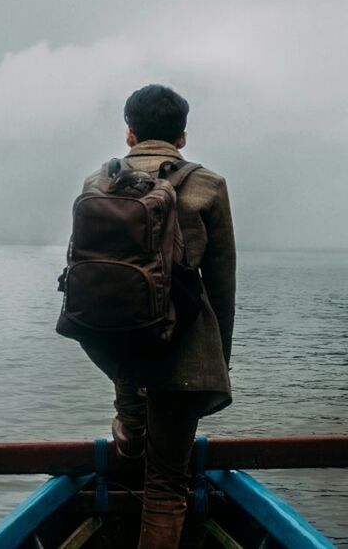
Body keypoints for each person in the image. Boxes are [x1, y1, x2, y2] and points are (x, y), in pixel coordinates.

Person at [79, 83, 236, 549]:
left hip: (115, 341)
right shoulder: (209, 185)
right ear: (182, 137)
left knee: (134, 404)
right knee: (167, 487)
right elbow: (222, 283)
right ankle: (135, 421)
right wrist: (219, 360)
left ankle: (129, 422)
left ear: (129, 133)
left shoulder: (97, 183)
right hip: (183, 350)